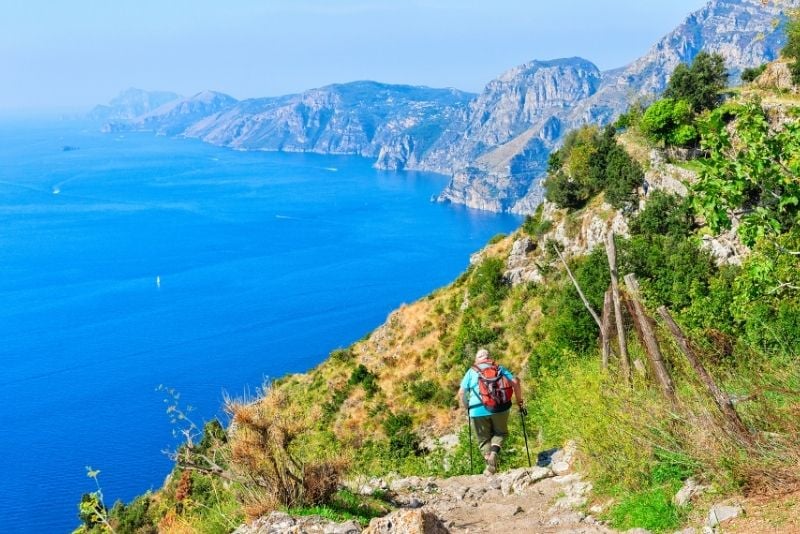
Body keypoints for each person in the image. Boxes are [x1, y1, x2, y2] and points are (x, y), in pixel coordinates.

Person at [457, 348, 524, 475]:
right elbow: (515, 382)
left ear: (477, 359)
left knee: (483, 440)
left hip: (477, 410)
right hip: (500, 407)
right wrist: (519, 401)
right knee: (501, 433)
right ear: (489, 357)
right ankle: (494, 453)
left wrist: (468, 408)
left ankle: (490, 468)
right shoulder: (499, 368)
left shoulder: (471, 371)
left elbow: (461, 393)